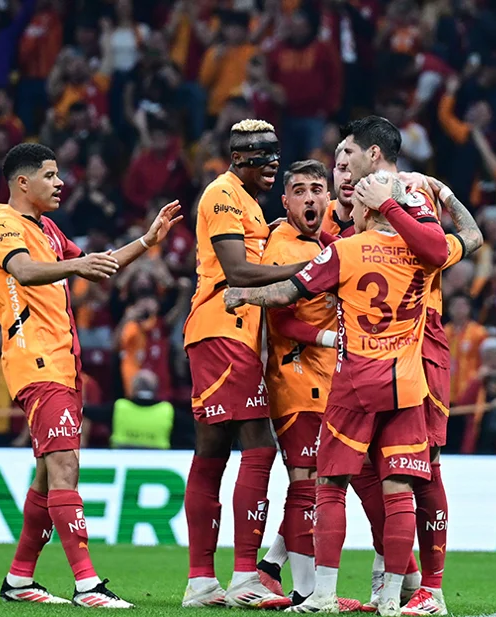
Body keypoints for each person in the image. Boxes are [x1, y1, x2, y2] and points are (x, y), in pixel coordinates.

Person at [223, 171, 463, 616]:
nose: (346, 211)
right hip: (407, 386)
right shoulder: (423, 253)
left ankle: (323, 595)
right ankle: (391, 597)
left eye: (355, 205)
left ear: (368, 209)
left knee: (329, 487)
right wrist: (442, 192)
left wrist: (244, 295)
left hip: (355, 384)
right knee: (399, 492)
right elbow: (471, 235)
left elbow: (287, 292)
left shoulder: (345, 251)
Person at [0, 141, 182, 607]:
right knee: (66, 467)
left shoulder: (47, 228)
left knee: (47, 477)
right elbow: (24, 271)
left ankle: (19, 580)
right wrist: (76, 264)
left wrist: (147, 242)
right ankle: (87, 585)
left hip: (63, 364)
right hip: (36, 362)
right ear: (23, 182)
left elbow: (98, 265)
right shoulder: (2, 226)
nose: (60, 183)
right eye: (50, 176)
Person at [343, 117, 483, 615]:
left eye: (347, 155)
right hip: (370, 350)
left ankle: (432, 588)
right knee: (368, 467)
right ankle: (396, 577)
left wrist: (437, 192)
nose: (342, 166)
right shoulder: (361, 202)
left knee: (422, 468)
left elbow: (448, 245)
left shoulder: (408, 192)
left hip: (419, 343)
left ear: (373, 154)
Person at [180, 119, 306, 610]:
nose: (272, 162)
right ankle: (245, 576)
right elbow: (236, 271)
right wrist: (313, 271)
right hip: (223, 328)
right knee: (259, 445)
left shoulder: (250, 203)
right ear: (237, 158)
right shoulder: (223, 194)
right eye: (261, 155)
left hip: (231, 334)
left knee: (211, 451)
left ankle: (200, 582)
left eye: (275, 153)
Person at [253, 160, 351, 608]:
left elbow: (334, 250)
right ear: (285, 201)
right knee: (307, 482)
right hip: (296, 379)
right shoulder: (281, 245)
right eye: (299, 191)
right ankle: (307, 590)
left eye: (316, 189)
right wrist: (332, 338)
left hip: (326, 380)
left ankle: (276, 569)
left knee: (318, 482)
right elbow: (281, 319)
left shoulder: (322, 243)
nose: (310, 198)